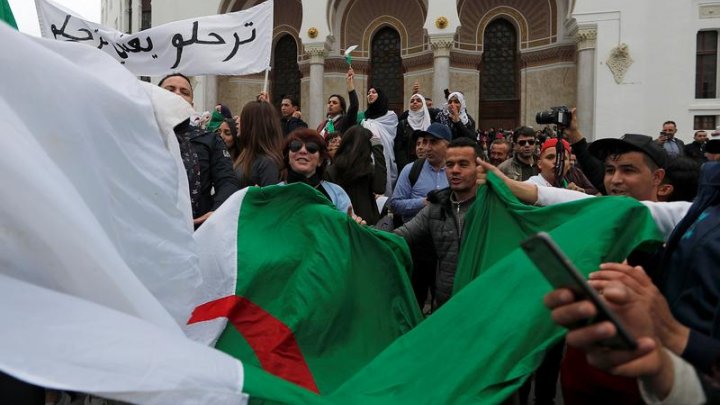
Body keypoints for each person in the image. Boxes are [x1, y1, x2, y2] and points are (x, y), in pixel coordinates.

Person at [394, 137, 482, 309]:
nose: (454, 171)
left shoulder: (492, 207)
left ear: (480, 168)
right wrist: (358, 230)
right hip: (445, 306)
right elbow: (399, 237)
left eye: (463, 164)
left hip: (482, 303)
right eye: (449, 165)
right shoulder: (436, 208)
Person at [158, 73, 239, 227]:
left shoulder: (210, 139)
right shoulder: (142, 136)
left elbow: (227, 181)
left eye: (185, 92)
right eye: (170, 89)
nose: (177, 94)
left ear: (192, 106)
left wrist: (217, 210)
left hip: (197, 228)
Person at [390, 123, 451, 308]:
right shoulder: (411, 170)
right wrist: (423, 203)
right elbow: (396, 204)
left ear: (447, 144)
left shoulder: (455, 170)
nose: (427, 147)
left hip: (448, 245)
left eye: (433, 142)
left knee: (445, 302)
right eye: (425, 142)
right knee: (415, 298)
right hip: (417, 244)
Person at [281, 128, 352, 214]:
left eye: (311, 148)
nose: (303, 151)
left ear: (320, 160)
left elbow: (347, 223)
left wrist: (353, 225)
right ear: (288, 156)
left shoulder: (337, 194)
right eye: (295, 146)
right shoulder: (273, 193)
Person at [325, 126, 386, 225]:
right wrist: (378, 149)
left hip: (340, 224)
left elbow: (379, 189)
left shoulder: (331, 170)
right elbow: (380, 188)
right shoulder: (367, 170)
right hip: (366, 225)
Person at [234, 100, 284, 188]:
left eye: (242, 119)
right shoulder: (246, 153)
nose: (237, 123)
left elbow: (268, 198)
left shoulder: (267, 163)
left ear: (252, 125)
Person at [360, 86, 398, 196]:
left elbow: (390, 136)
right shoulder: (364, 118)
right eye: (368, 93)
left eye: (374, 92)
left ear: (380, 96)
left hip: (385, 155)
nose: (370, 94)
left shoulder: (391, 116)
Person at [395, 93, 435, 171]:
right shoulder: (403, 124)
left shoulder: (431, 124)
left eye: (418, 100)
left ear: (423, 104)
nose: (415, 102)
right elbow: (399, 149)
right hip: (408, 166)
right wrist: (407, 167)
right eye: (412, 101)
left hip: (428, 166)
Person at [317, 68, 359, 138]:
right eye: (329, 102)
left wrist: (350, 84)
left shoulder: (346, 121)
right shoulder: (322, 125)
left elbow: (354, 106)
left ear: (341, 107)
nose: (330, 104)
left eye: (334, 103)